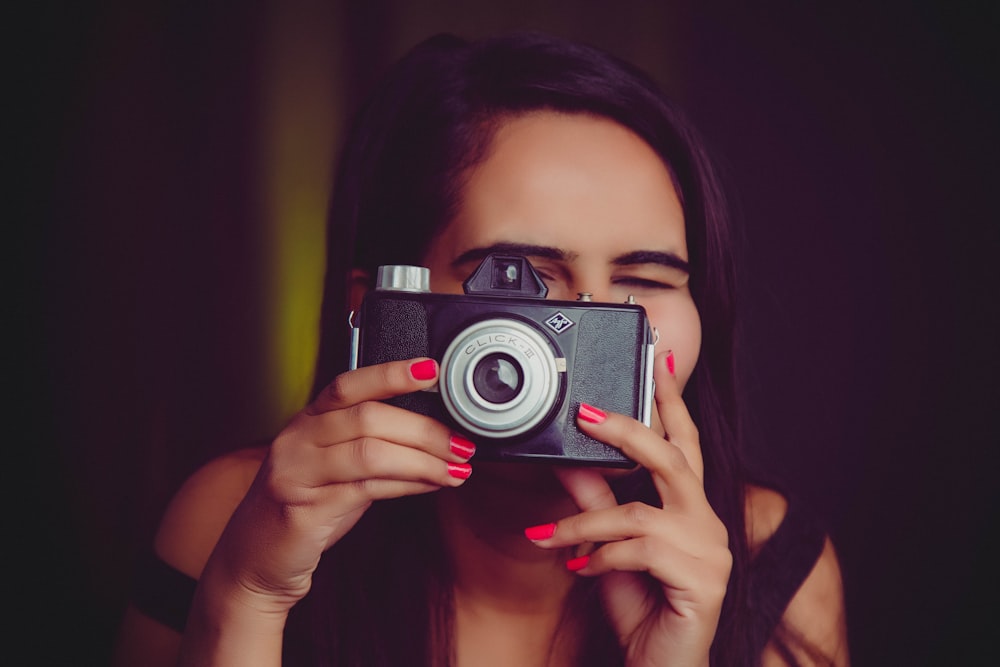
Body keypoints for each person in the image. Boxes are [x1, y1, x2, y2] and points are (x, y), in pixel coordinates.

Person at [113, 31, 848, 666]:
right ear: (382, 309)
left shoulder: (771, 563)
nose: (586, 327)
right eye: (520, 279)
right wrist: (249, 596)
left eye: (643, 279)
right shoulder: (235, 519)